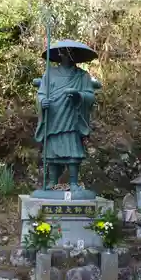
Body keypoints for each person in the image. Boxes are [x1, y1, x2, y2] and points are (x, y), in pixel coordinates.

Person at [34, 48, 96, 191]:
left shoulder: (82, 76)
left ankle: (74, 183)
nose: (68, 56)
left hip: (72, 116)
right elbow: (41, 93)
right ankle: (52, 181)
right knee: (52, 150)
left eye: (71, 53)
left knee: (73, 149)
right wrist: (42, 101)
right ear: (60, 55)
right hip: (54, 116)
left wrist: (78, 95)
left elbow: (90, 96)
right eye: (64, 53)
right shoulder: (49, 74)